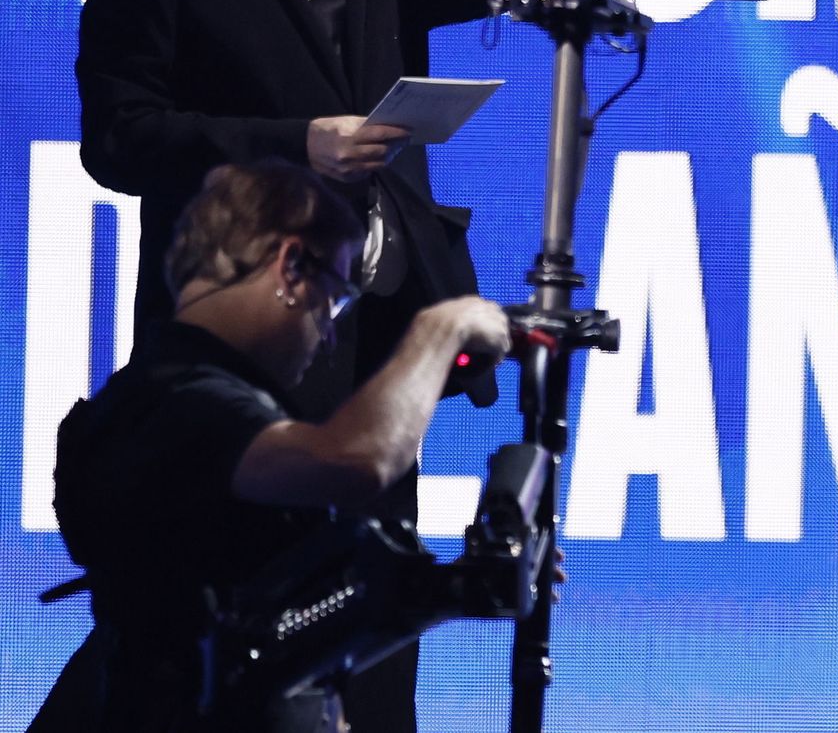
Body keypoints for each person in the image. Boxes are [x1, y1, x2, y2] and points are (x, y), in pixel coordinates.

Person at [76, 0, 490, 727]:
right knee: (226, 630)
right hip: (241, 333)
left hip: (375, 322)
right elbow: (118, 136)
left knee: (371, 611)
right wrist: (291, 141)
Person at [46, 159, 511, 731]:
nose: (331, 331)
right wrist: (439, 329)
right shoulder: (177, 405)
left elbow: (281, 632)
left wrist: (465, 584)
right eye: (335, 295)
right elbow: (358, 459)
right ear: (291, 267)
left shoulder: (180, 404)